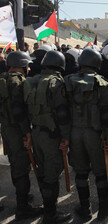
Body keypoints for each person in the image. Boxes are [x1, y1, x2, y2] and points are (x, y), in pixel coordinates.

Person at [64, 48, 108, 221]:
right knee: (100, 172)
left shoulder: (67, 81)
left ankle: (85, 209)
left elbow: (62, 113)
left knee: (81, 172)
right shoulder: (102, 83)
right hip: (95, 134)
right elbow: (106, 114)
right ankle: (103, 208)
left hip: (74, 133)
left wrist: (64, 136)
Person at [24, 50, 71, 223]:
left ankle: (47, 207)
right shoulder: (57, 83)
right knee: (52, 174)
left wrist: (27, 133)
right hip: (52, 135)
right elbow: (61, 113)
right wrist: (65, 137)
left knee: (43, 171)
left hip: (36, 132)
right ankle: (50, 215)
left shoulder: (32, 81)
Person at [0, 51, 42, 221]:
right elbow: (18, 111)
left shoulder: (2, 78)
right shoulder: (17, 82)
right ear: (22, 65)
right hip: (18, 129)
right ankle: (23, 206)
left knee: (15, 163)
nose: (29, 68)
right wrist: (26, 132)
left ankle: (22, 196)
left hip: (6, 128)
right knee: (22, 166)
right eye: (27, 65)